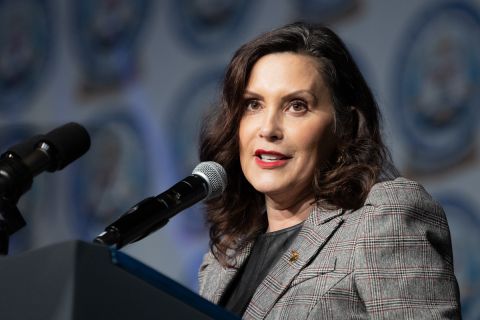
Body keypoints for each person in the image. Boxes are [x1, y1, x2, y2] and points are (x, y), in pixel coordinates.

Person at [197, 22, 461, 319]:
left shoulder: (382, 218)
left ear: (343, 125)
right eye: (253, 104)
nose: (268, 128)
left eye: (296, 106)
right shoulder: (224, 258)